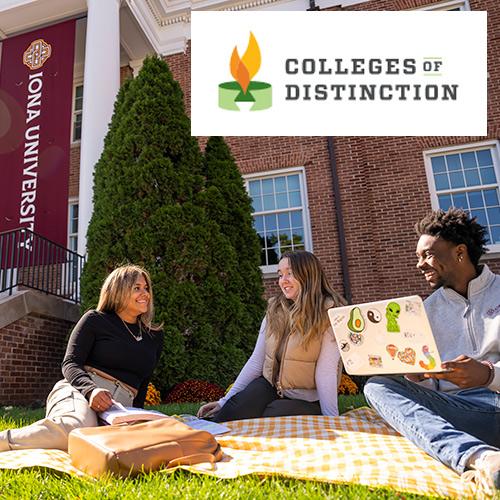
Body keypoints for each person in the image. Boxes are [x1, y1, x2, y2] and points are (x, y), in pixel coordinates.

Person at [363, 208, 499, 494]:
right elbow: (431, 383)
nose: (419, 265)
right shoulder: (425, 312)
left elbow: (488, 376)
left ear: (460, 253)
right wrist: (416, 376)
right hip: (458, 413)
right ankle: (481, 458)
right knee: (377, 386)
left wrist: (488, 375)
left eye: (427, 255)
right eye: (418, 258)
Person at [0, 264, 163, 452]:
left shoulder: (154, 337)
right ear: (118, 290)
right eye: (137, 288)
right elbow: (70, 363)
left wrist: (138, 415)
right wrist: (91, 390)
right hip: (81, 391)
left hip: (119, 408)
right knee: (73, 430)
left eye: (146, 288)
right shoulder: (95, 320)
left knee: (155, 439)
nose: (145, 294)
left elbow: (142, 382)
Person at [198, 250, 346, 422]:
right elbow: (256, 361)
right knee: (238, 407)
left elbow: (326, 370)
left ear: (308, 274)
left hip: (305, 398)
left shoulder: (330, 314)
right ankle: (203, 433)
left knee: (271, 414)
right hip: (270, 386)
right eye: (280, 275)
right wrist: (224, 402)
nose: (283, 281)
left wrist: (332, 419)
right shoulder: (275, 310)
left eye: (290, 273)